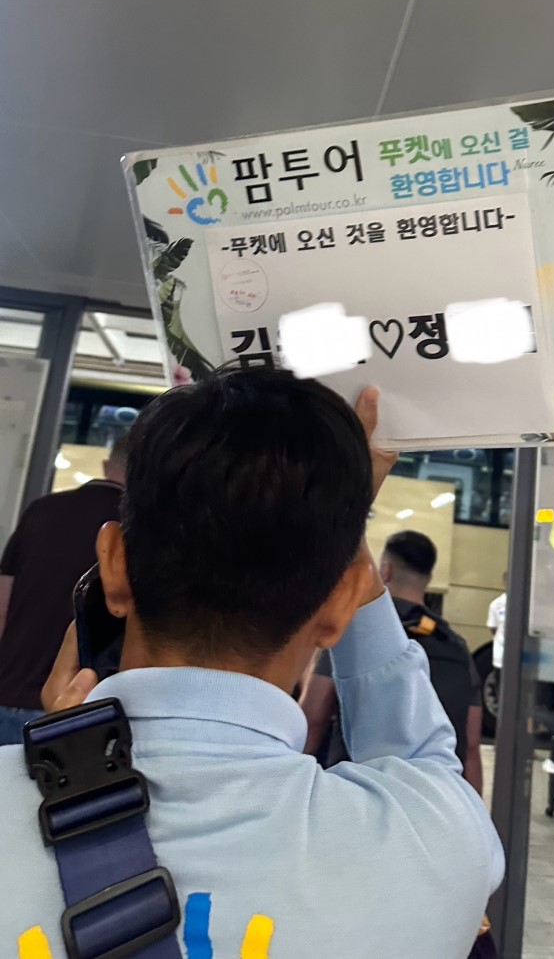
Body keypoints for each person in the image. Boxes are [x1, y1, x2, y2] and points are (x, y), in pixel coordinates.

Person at [0, 369, 503, 958]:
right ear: (343, 604)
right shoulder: (432, 844)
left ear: (113, 565)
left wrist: (76, 765)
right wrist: (341, 538)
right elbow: (423, 765)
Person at [302, 529, 485, 793]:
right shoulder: (456, 646)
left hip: (358, 798)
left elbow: (314, 718)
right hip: (431, 802)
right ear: (428, 578)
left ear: (385, 571)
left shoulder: (355, 632)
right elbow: (471, 745)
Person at [0, 433, 129, 744]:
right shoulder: (134, 529)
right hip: (79, 707)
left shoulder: (41, 510)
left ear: (106, 464)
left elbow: (2, 606)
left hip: (8, 690)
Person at [487, 574, 507, 691]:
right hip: (501, 657)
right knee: (500, 690)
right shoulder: (496, 605)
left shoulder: (526, 604)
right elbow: (493, 628)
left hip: (520, 659)